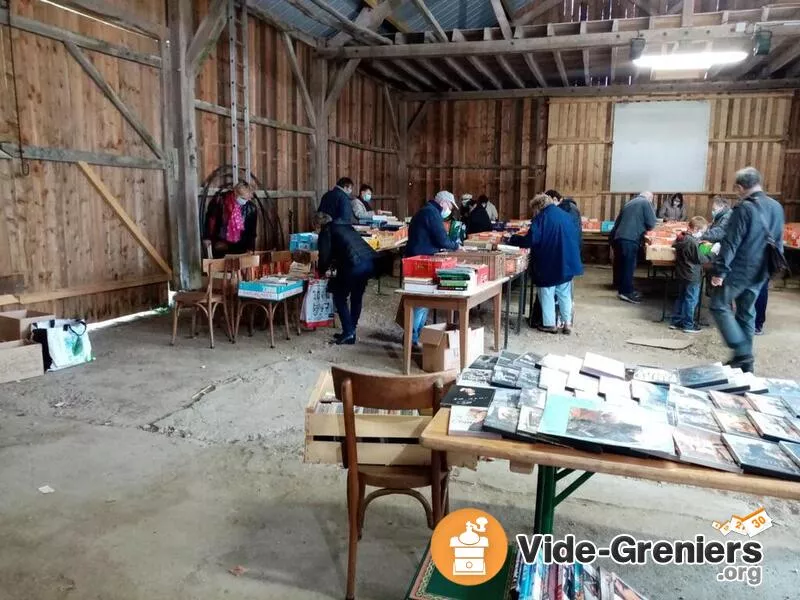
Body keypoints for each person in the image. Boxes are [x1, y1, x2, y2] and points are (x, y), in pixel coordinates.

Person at [709, 166, 784, 373]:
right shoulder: (776, 207)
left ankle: (742, 351)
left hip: (740, 270)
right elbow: (778, 241)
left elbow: (731, 242)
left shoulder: (743, 208)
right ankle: (745, 366)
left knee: (718, 305)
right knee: (746, 312)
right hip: (763, 269)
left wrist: (719, 271)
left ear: (740, 187)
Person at [510, 193, 583, 334]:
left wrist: (514, 239)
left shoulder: (541, 218)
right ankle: (567, 323)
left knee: (547, 292)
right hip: (567, 261)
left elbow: (531, 240)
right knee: (564, 293)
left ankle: (550, 324)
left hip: (549, 261)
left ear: (538, 207)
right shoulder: (566, 215)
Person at [405, 191, 461, 347]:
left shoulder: (427, 211)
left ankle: (415, 336)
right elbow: (441, 238)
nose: (450, 209)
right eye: (450, 205)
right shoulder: (432, 213)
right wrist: (455, 246)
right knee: (421, 302)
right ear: (443, 202)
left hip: (417, 257)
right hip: (420, 261)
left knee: (422, 302)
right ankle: (411, 338)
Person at [315, 212, 376, 345]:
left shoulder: (327, 231)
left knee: (339, 296)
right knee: (356, 296)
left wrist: (320, 271)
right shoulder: (345, 226)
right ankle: (351, 330)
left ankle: (348, 332)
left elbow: (324, 256)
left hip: (353, 265)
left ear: (320, 224)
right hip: (368, 262)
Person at [609, 191, 657, 304]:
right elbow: (651, 223)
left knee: (621, 264)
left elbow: (617, 222)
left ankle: (622, 288)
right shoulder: (645, 202)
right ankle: (626, 293)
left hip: (619, 237)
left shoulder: (629, 203)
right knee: (629, 266)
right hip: (630, 238)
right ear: (650, 198)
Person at [670, 216, 709, 334]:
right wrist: (712, 253)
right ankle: (688, 324)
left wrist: (698, 244)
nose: (702, 234)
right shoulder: (692, 242)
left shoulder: (682, 238)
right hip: (692, 274)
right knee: (691, 300)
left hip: (682, 273)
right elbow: (701, 259)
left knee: (681, 297)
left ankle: (676, 321)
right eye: (702, 231)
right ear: (696, 229)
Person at [203, 181, 258, 257]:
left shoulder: (251, 208)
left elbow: (252, 231)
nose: (245, 201)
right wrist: (207, 237)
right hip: (221, 243)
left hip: (240, 245)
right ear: (235, 193)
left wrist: (250, 248)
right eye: (243, 198)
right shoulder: (220, 201)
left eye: (247, 198)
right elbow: (210, 220)